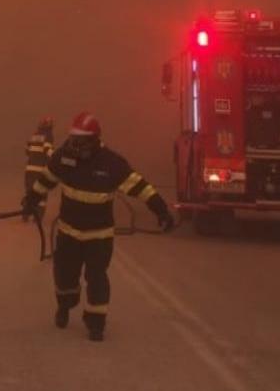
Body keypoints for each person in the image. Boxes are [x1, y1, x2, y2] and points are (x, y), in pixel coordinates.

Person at [22, 112, 176, 342]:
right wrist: (31, 200)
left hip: (99, 236)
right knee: (64, 276)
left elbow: (142, 188)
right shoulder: (64, 157)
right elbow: (46, 180)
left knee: (96, 278)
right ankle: (65, 306)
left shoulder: (112, 164)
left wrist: (162, 211)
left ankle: (96, 324)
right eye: (74, 139)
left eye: (81, 141)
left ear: (94, 140)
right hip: (68, 232)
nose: (76, 146)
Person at [23, 117, 55, 223]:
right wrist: (55, 158)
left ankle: (25, 214)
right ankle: (38, 217)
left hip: (29, 170)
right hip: (40, 170)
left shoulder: (34, 135)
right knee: (41, 192)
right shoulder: (48, 135)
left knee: (29, 191)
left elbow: (27, 151)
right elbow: (47, 150)